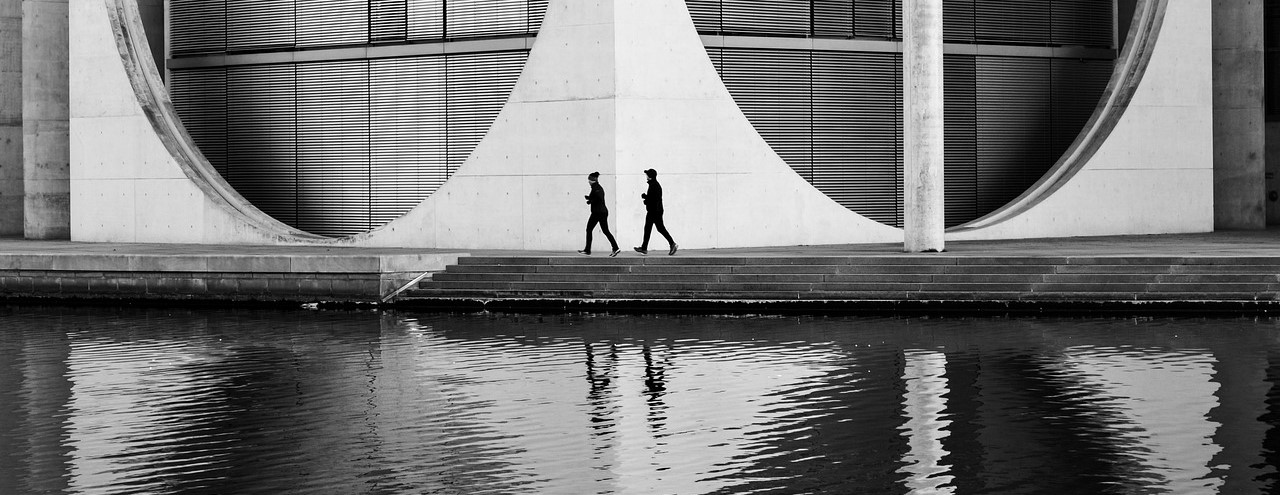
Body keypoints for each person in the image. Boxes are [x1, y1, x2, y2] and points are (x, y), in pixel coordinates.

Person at [633, 168, 678, 256]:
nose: (646, 176)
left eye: (647, 175)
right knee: (650, 228)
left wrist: (646, 200)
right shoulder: (653, 184)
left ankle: (672, 244)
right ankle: (644, 248)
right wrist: (646, 197)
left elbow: (654, 200)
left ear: (650, 176)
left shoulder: (654, 185)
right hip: (655, 210)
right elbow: (653, 198)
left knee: (658, 228)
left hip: (654, 211)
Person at [580, 171, 621, 257]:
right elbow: (596, 198)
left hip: (598, 212)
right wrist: (589, 199)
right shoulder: (596, 187)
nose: (588, 181)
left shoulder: (597, 188)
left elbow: (598, 198)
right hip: (601, 212)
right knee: (605, 231)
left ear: (592, 180)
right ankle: (615, 247)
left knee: (589, 229)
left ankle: (587, 250)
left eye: (589, 180)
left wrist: (590, 200)